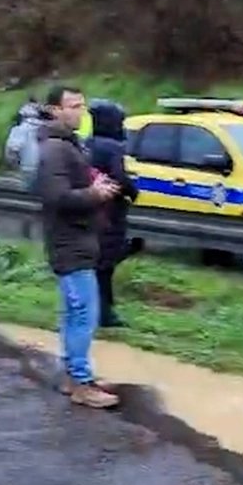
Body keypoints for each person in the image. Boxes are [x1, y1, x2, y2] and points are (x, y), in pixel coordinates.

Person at [36, 84, 121, 409]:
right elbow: (57, 197)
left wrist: (93, 185)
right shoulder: (55, 149)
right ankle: (82, 383)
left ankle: (76, 377)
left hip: (78, 240)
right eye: (72, 106)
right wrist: (95, 195)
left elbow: (72, 187)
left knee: (76, 313)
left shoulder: (69, 145)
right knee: (85, 314)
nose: (79, 111)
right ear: (54, 110)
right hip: (69, 243)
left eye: (82, 106)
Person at [84, 99, 139, 328]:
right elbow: (119, 176)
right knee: (106, 264)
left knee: (98, 263)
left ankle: (99, 310)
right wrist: (133, 191)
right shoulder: (113, 147)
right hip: (111, 210)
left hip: (92, 207)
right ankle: (105, 313)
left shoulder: (88, 143)